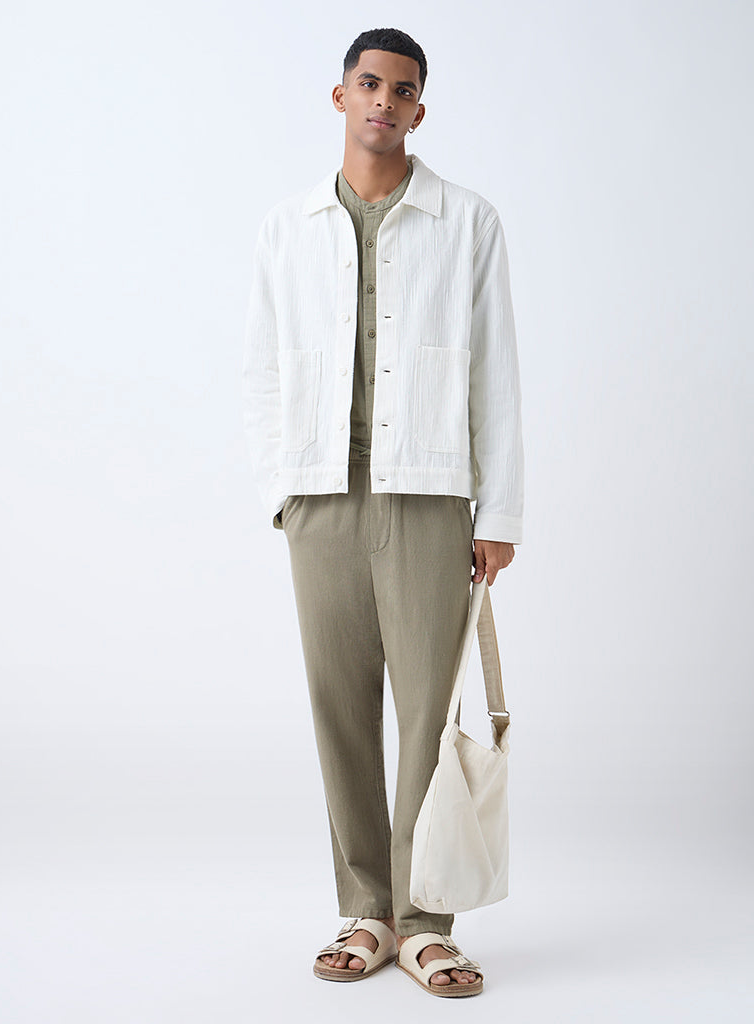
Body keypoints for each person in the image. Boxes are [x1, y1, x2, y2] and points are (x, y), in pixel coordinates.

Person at [241, 27, 523, 999]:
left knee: (428, 717)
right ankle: (366, 909)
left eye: (402, 91)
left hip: (431, 496)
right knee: (340, 711)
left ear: (419, 110)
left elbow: (496, 372)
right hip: (320, 497)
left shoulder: (468, 221)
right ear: (340, 96)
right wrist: (280, 492)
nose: (383, 102)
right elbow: (262, 369)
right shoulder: (287, 228)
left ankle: (425, 922)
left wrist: (499, 510)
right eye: (369, 84)